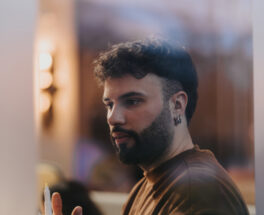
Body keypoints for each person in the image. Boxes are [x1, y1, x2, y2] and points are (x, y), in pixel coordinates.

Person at [51, 38, 249, 215]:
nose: (113, 118)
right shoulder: (145, 186)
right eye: (109, 105)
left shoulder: (199, 191)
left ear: (177, 105)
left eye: (133, 101)